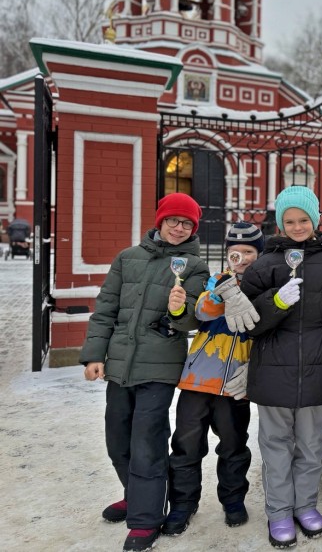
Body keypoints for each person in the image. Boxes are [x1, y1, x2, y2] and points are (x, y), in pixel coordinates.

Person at [80, 192, 210, 552]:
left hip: (159, 367)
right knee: (117, 439)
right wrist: (94, 355)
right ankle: (135, 494)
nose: (179, 228)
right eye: (173, 221)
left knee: (146, 442)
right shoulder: (127, 259)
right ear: (160, 221)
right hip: (120, 364)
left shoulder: (195, 267)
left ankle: (145, 518)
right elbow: (106, 308)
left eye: (187, 224)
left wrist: (180, 309)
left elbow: (192, 320)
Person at [239, 186, 322, 549]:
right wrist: (275, 301)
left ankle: (305, 506)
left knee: (311, 446)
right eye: (289, 221)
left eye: (304, 219)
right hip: (273, 372)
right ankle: (278, 512)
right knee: (275, 446)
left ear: (315, 220)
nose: (297, 226)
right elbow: (248, 323)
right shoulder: (263, 266)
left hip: (318, 370)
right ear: (279, 223)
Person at [162, 222, 264, 536]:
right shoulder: (216, 281)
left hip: (235, 384)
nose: (242, 257)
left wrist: (255, 372)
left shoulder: (263, 287)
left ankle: (232, 500)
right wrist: (225, 291)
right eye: (235, 252)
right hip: (198, 379)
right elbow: (203, 312)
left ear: (258, 255)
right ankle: (183, 503)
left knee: (234, 446)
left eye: (249, 252)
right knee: (186, 445)